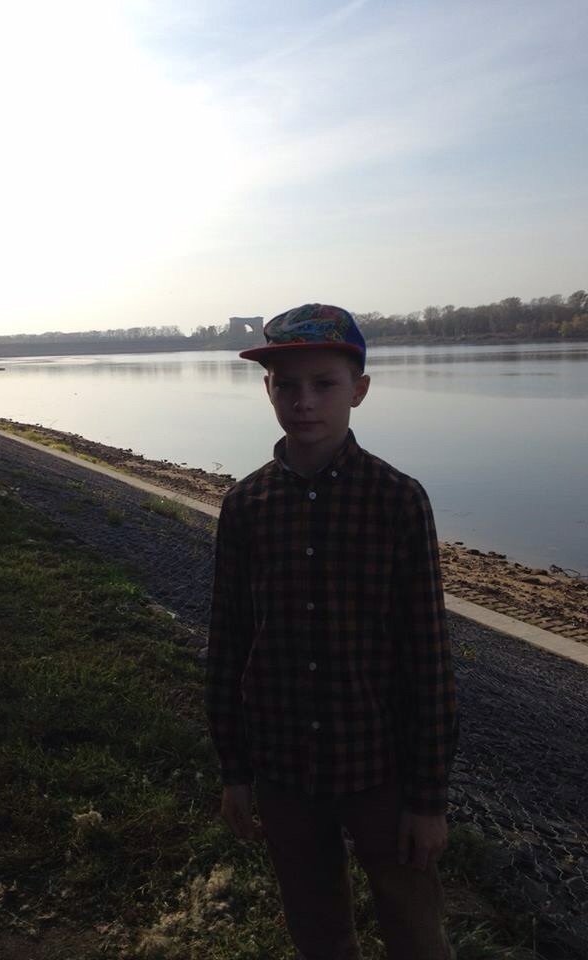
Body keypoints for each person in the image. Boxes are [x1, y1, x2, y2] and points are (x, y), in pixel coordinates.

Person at [206, 303, 458, 960]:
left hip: (381, 768)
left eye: (324, 384)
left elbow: (427, 657)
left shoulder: (398, 500)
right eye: (286, 385)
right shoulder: (246, 505)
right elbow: (229, 643)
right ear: (267, 391)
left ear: (359, 390)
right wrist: (235, 769)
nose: (304, 402)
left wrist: (428, 798)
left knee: (414, 928)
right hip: (283, 766)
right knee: (317, 930)